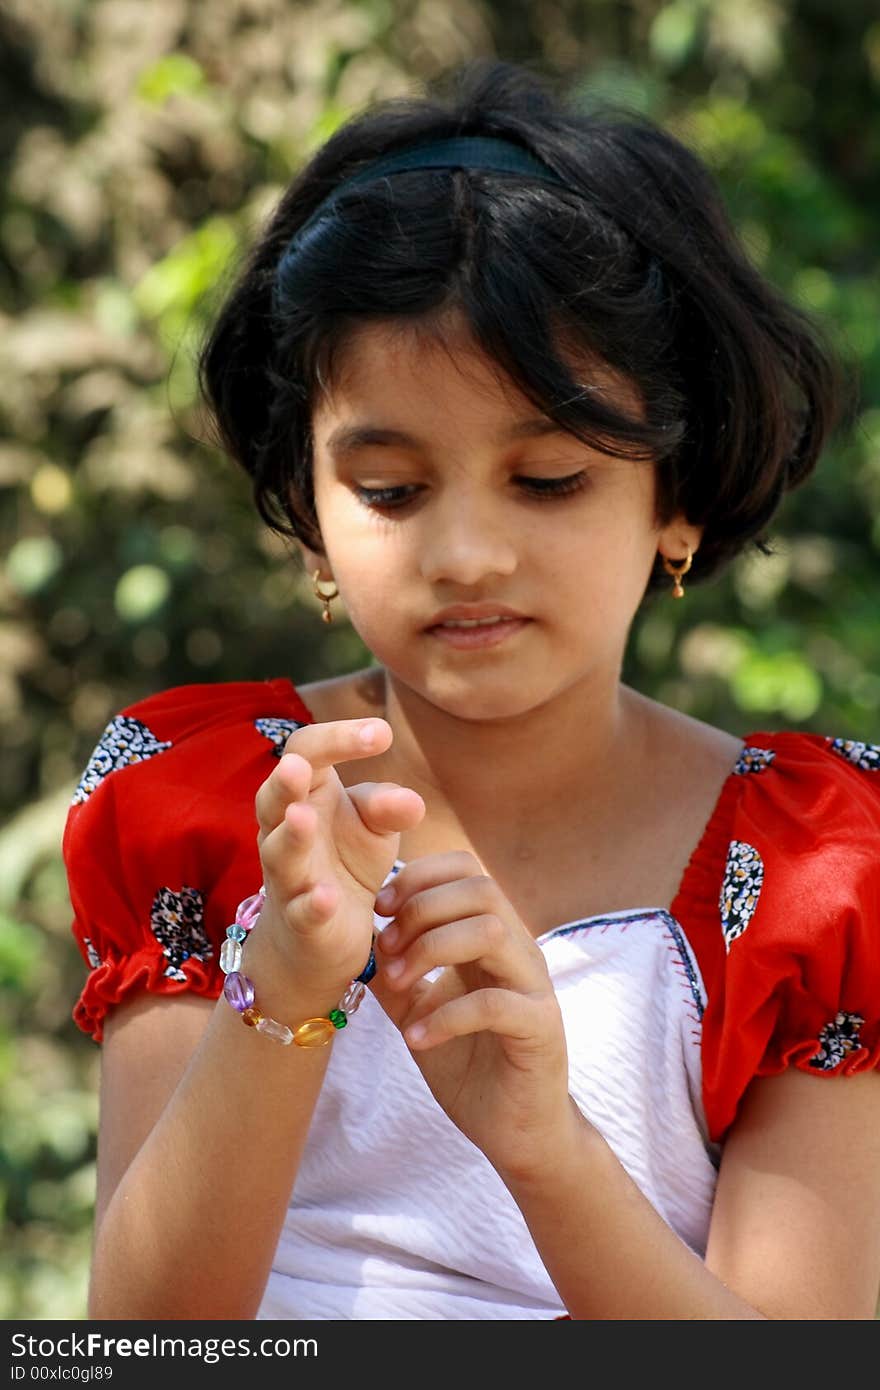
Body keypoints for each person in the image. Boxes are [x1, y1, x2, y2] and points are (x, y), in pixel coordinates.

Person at [63, 59, 880, 1321]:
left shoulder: (823, 873)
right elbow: (142, 1340)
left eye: (546, 478)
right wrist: (280, 991)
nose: (463, 556)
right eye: (391, 491)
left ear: (679, 496)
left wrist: (544, 1144)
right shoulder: (202, 802)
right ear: (309, 512)